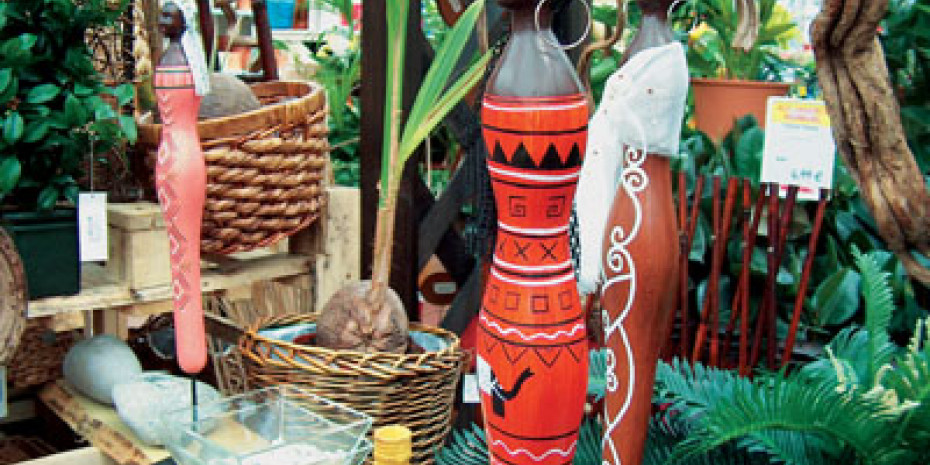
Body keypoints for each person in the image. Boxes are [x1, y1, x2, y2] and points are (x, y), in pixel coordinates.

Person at [154, 0, 209, 375]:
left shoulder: (183, 61)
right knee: (182, 258)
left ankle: (192, 355)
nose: (161, 21)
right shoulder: (176, 59)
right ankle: (190, 355)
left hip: (181, 160)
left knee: (185, 256)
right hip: (177, 159)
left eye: (168, 14)